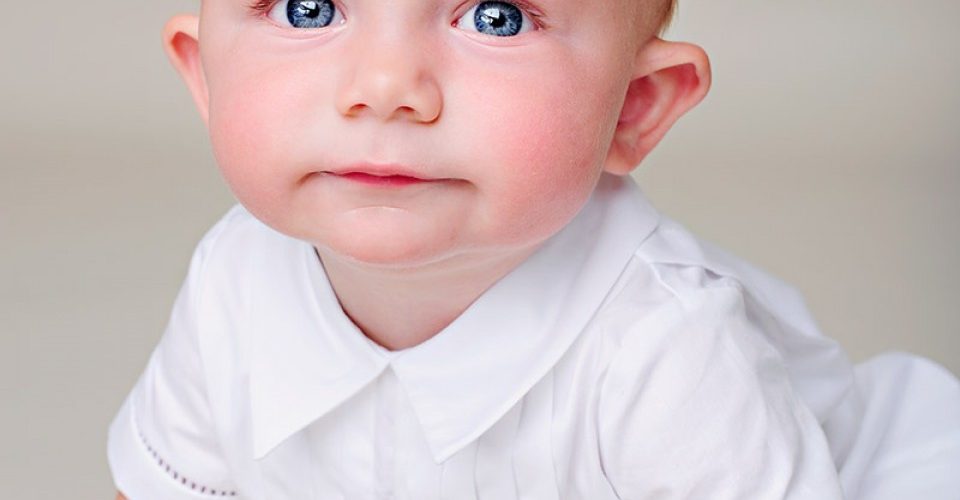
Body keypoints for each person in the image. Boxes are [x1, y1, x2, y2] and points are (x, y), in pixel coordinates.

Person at [108, 0, 960, 498]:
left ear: (633, 108)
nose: (384, 88)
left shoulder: (665, 347)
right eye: (309, 8)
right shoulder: (232, 277)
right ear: (205, 75)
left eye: (497, 17)